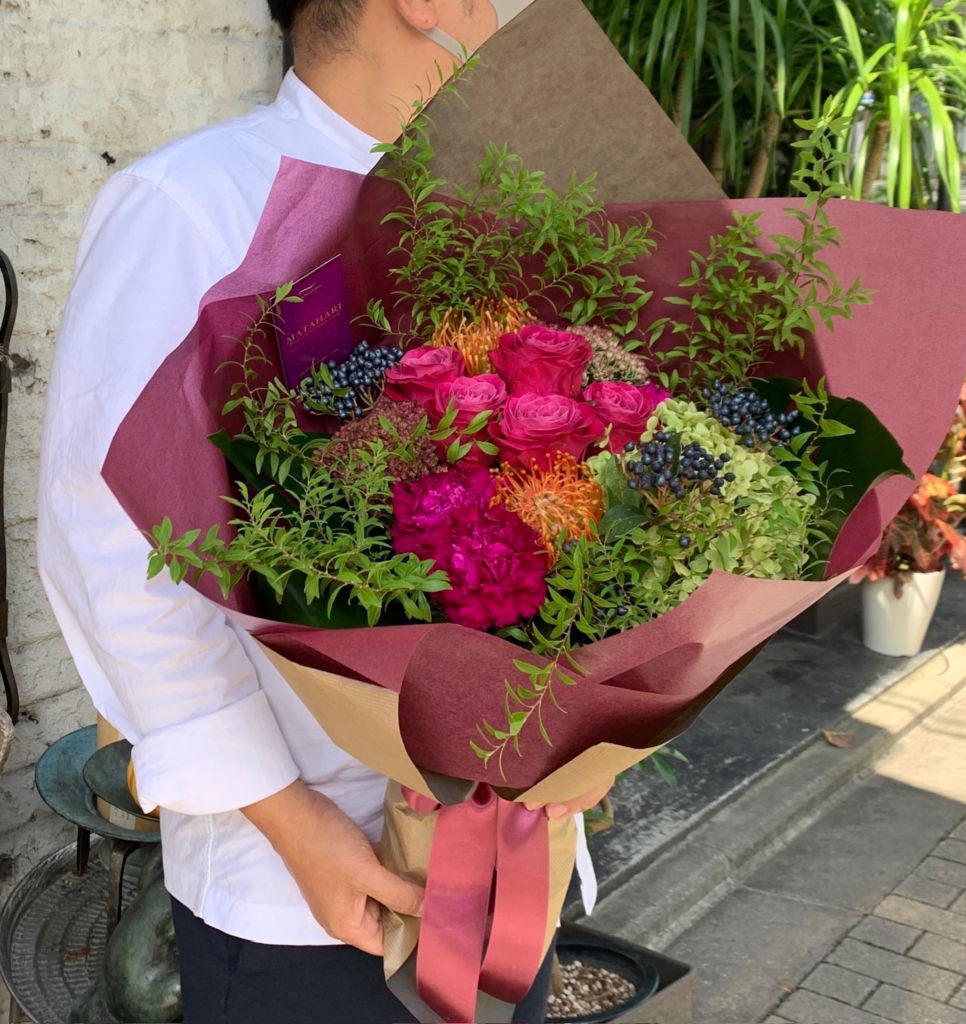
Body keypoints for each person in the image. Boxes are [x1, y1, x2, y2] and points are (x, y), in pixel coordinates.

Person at [37, 1, 612, 1021]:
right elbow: (113, 541)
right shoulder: (194, 205)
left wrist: (587, 734)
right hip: (309, 892)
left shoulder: (509, 205)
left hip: (513, 859)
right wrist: (293, 823)